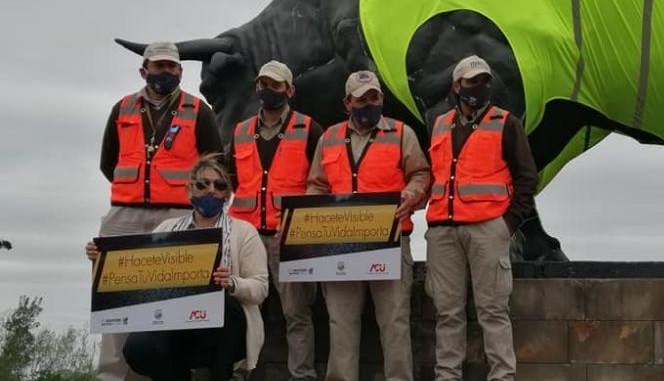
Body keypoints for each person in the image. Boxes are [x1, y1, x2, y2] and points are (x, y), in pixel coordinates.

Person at [96, 41, 223, 380]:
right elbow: (109, 163)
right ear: (144, 70)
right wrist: (137, 189)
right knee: (116, 302)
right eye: (158, 66)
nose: (165, 72)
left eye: (171, 66)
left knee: (172, 303)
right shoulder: (121, 108)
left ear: (181, 71)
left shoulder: (199, 110)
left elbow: (215, 167)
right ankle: (112, 374)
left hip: (177, 217)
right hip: (125, 217)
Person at [86, 154, 268, 380]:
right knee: (137, 348)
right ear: (190, 189)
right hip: (175, 323)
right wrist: (103, 259)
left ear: (226, 194)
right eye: (203, 184)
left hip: (225, 329)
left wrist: (231, 283)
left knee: (223, 304)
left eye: (219, 185)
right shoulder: (167, 229)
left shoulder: (244, 231)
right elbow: (141, 272)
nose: (211, 190)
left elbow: (260, 288)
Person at [307, 70, 430, 381]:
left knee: (394, 322)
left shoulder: (403, 134)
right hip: (339, 245)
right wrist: (312, 215)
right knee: (341, 323)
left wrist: (412, 193)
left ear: (381, 98)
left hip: (390, 241)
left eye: (374, 97)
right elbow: (316, 186)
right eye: (361, 99)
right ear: (347, 102)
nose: (369, 103)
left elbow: (422, 174)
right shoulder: (329, 137)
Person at [424, 56, 538, 380]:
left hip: (488, 229)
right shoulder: (440, 123)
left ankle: (502, 376)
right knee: (447, 313)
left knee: (493, 310)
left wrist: (507, 225)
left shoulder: (506, 123)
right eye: (472, 81)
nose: (480, 87)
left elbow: (527, 177)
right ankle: (447, 376)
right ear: (456, 86)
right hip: (443, 231)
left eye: (484, 80)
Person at [228, 59, 323, 381]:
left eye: (276, 85)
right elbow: (227, 181)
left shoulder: (309, 128)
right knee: (242, 309)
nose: (268, 90)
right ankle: (240, 371)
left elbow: (320, 181)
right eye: (263, 84)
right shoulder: (240, 131)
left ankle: (302, 375)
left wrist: (301, 223)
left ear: (290, 90)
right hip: (246, 236)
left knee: (296, 313)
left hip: (290, 237)